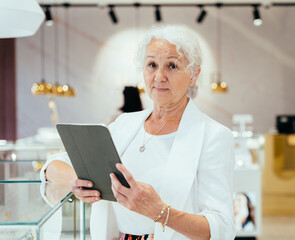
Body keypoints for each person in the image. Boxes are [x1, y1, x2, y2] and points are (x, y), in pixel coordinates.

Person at [40, 24, 235, 240]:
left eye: (172, 66)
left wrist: (160, 212)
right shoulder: (125, 124)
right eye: (152, 64)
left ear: (194, 74)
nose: (159, 76)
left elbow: (222, 228)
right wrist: (83, 180)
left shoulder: (214, 136)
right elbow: (52, 166)